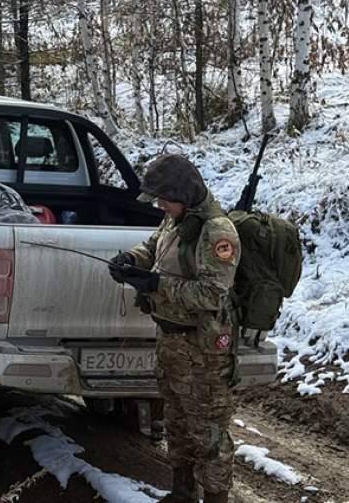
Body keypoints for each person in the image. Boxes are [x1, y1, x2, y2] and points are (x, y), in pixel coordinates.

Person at [108, 154, 240, 503]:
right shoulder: (176, 218)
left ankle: (215, 497)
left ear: (183, 192)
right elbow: (154, 246)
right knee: (178, 424)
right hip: (170, 340)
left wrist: (155, 285)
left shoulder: (216, 232)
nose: (159, 205)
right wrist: (131, 261)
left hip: (202, 350)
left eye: (163, 198)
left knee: (208, 433)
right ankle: (182, 492)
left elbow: (212, 294)